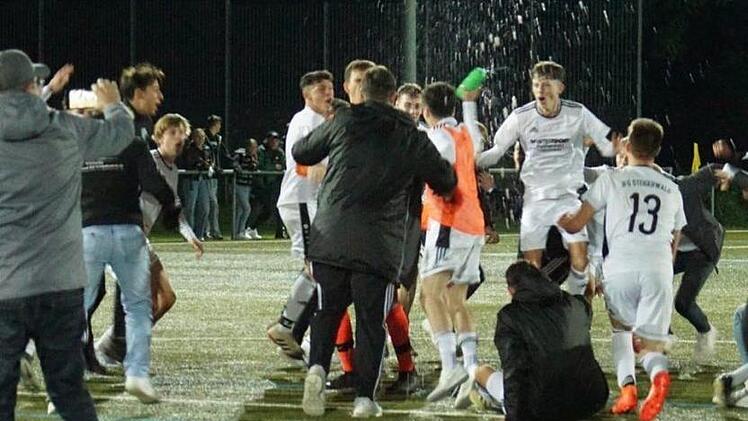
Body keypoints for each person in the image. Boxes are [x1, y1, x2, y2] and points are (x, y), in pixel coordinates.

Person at [296, 65, 456, 418]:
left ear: (362, 93)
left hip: (330, 235)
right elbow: (446, 180)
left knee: (327, 311)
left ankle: (317, 369)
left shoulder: (343, 120)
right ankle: (364, 399)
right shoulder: (411, 135)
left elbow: (301, 151)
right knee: (371, 321)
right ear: (393, 96)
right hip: (378, 244)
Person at [0, 48, 134, 421]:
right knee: (69, 392)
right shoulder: (64, 128)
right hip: (60, 283)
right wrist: (113, 105)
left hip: (5, 284)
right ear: (31, 85)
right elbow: (120, 135)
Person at [558, 118, 685, 421]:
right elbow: (674, 242)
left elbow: (576, 223)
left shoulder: (611, 179)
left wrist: (557, 217)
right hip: (658, 269)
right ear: (657, 150)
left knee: (621, 330)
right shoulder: (672, 188)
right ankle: (657, 376)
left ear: (628, 145)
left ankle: (627, 389)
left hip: (621, 268)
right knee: (650, 343)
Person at [478, 60, 619, 295]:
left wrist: (617, 148)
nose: (540, 90)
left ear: (560, 87)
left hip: (568, 198)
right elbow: (496, 151)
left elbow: (606, 146)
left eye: (546, 85)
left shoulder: (577, 112)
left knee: (580, 258)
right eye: (536, 85)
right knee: (530, 268)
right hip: (535, 199)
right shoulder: (521, 116)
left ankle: (578, 304)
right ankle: (533, 306)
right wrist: (470, 160)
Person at [468, 261, 609, 420]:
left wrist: (514, 415)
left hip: (543, 406)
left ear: (511, 290)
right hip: (591, 399)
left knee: (482, 372)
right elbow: (587, 300)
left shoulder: (510, 316)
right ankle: (497, 400)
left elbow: (514, 371)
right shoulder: (575, 303)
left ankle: (492, 397)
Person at [417, 81, 485, 404]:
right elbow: (479, 146)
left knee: (430, 294)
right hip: (473, 225)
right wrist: (470, 103)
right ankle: (471, 369)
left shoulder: (437, 137)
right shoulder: (465, 133)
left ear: (425, 111)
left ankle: (449, 367)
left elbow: (438, 173)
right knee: (456, 301)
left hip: (447, 222)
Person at [96, 63, 166, 366]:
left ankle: (114, 345)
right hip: (99, 217)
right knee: (93, 291)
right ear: (138, 93)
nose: (160, 97)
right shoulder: (116, 120)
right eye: (155, 90)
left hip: (119, 218)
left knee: (122, 284)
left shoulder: (142, 122)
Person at [266, 70, 333, 363]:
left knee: (321, 267)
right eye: (321, 89)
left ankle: (294, 331)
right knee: (318, 267)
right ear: (307, 95)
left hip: (312, 202)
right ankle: (287, 326)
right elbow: (298, 163)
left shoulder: (323, 120)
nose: (328, 94)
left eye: (330, 88)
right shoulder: (304, 121)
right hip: (301, 201)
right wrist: (328, 171)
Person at [246, 131, 285, 239]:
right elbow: (262, 166)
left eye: (276, 140)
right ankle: (247, 228)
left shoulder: (279, 152)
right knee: (254, 208)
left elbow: (282, 166)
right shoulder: (261, 150)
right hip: (260, 184)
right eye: (272, 140)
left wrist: (276, 168)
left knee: (271, 210)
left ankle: (252, 228)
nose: (274, 143)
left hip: (273, 185)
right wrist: (274, 167)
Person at [204, 114, 228, 240]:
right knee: (208, 204)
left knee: (213, 204)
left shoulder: (218, 138)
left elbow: (224, 154)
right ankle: (207, 231)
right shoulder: (204, 136)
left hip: (214, 177)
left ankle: (214, 231)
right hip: (206, 176)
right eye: (218, 124)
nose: (220, 126)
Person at [233, 138, 260, 239]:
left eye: (255, 147)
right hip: (239, 184)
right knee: (246, 208)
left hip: (248, 185)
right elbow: (235, 164)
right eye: (252, 147)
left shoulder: (253, 156)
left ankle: (238, 232)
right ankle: (240, 231)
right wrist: (239, 169)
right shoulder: (240, 154)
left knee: (240, 210)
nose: (254, 149)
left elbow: (255, 167)